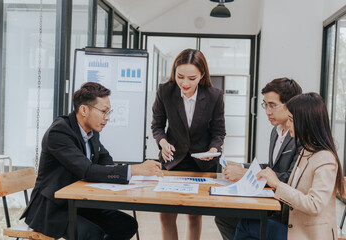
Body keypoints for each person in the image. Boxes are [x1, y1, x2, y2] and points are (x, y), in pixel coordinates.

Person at [21, 82, 163, 240]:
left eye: (109, 112)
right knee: (92, 234)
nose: (107, 118)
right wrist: (134, 170)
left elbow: (104, 158)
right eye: (103, 111)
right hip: (54, 209)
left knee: (127, 225)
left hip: (79, 203)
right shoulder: (59, 132)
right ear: (83, 110)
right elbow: (87, 170)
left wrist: (111, 173)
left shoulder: (91, 131)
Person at [234, 92, 344, 240]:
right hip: (294, 225)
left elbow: (314, 205)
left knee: (246, 225)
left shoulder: (325, 159)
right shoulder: (306, 151)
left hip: (307, 235)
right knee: (248, 222)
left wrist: (277, 184)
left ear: (306, 123)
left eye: (291, 120)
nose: (287, 124)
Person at [151, 48, 226, 240]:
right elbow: (157, 125)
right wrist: (163, 142)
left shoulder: (214, 96)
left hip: (201, 162)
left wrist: (213, 149)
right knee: (166, 215)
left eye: (191, 78)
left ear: (201, 75)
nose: (185, 83)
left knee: (194, 216)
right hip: (172, 159)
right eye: (180, 76)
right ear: (174, 72)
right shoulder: (165, 91)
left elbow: (218, 132)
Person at [215, 78, 302, 240]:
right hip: (271, 201)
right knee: (224, 217)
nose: (268, 111)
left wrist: (245, 174)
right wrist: (241, 165)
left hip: (286, 212)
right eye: (265, 105)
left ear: (291, 104)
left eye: (273, 105)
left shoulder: (300, 136)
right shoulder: (276, 132)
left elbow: (291, 179)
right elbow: (272, 167)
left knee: (237, 221)